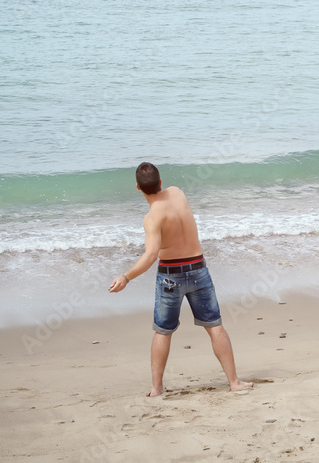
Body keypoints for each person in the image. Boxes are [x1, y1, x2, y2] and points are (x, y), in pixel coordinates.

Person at [108, 162, 253, 396]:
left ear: (137, 187)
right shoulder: (177, 193)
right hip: (198, 270)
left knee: (163, 330)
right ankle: (234, 382)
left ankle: (156, 388)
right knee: (214, 325)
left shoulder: (152, 218)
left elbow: (151, 255)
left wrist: (126, 277)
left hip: (170, 277)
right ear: (161, 182)